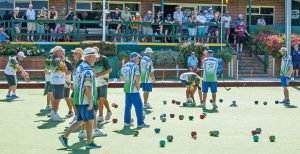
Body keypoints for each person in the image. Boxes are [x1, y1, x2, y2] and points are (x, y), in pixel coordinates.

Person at [59, 48, 101, 149]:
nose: (95, 58)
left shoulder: (81, 67)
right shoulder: (87, 70)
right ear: (89, 57)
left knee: (81, 120)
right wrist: (91, 102)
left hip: (79, 99)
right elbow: (88, 87)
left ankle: (64, 136)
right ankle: (89, 142)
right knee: (89, 120)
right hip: (85, 100)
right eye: (94, 57)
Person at [119, 52, 150, 128]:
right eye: (138, 58)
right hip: (134, 90)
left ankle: (127, 122)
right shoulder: (135, 66)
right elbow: (138, 76)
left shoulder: (125, 65)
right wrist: (137, 86)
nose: (139, 59)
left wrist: (127, 81)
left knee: (128, 106)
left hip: (127, 89)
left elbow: (121, 77)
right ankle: (140, 123)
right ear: (135, 58)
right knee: (139, 106)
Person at [93, 47, 112, 123]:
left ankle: (103, 114)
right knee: (98, 99)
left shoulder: (104, 58)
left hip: (103, 81)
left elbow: (110, 70)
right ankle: (106, 112)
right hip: (95, 82)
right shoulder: (90, 59)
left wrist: (99, 74)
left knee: (102, 98)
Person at [49, 46, 68, 122]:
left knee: (55, 98)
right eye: (61, 51)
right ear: (56, 52)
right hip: (58, 82)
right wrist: (63, 61)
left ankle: (53, 113)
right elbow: (65, 70)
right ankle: (55, 114)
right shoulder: (57, 59)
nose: (62, 52)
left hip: (55, 81)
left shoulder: (54, 58)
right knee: (57, 99)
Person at [69, 48, 84, 126]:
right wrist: (73, 83)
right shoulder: (78, 62)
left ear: (79, 54)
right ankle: (77, 116)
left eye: (74, 53)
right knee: (73, 100)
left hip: (80, 85)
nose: (73, 55)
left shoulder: (81, 62)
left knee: (72, 99)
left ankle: (78, 117)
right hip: (76, 84)